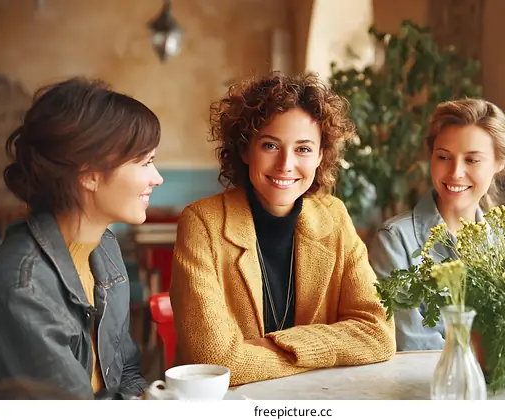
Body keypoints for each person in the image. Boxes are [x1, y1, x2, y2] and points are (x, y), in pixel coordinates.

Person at [170, 72, 396, 386]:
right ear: (246, 149)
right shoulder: (202, 223)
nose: (285, 164)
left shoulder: (335, 217)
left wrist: (270, 351)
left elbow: (378, 333)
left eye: (303, 149)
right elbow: (214, 361)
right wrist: (323, 352)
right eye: (270, 145)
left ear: (320, 156)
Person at [0, 78, 164, 399]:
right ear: (90, 174)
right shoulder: (23, 286)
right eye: (145, 162)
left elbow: (125, 371)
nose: (157, 178)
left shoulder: (105, 247)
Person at [369, 98, 505, 351]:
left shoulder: (499, 242)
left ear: (498, 164)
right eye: (444, 157)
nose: (455, 172)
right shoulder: (395, 240)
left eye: (472, 160)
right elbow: (411, 343)